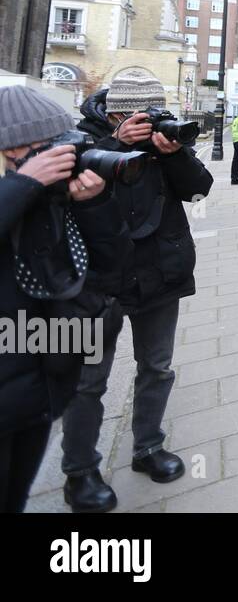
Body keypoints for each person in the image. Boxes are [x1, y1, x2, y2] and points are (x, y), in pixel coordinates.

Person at [61, 69, 214, 512]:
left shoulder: (163, 142)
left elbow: (199, 190)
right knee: (88, 380)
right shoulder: (79, 139)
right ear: (116, 114)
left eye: (154, 113)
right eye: (137, 115)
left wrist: (173, 154)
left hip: (158, 273)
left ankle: (147, 447)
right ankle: (80, 472)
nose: (147, 122)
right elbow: (60, 193)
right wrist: (117, 146)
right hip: (94, 282)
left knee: (157, 366)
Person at [0, 86, 127, 513]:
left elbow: (110, 271)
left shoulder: (55, 199)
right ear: (10, 151)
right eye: (42, 149)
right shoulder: (21, 193)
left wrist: (94, 204)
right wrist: (22, 185)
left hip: (41, 389)